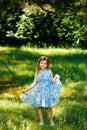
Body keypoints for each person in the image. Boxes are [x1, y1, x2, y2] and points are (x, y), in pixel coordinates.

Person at [20, 56, 62, 126]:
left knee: (49, 106)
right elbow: (34, 83)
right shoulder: (37, 72)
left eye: (45, 64)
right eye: (42, 63)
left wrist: (56, 76)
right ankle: (41, 122)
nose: (43, 65)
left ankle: (51, 121)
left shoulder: (49, 71)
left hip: (47, 92)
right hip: (39, 92)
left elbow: (52, 81)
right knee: (39, 107)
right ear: (39, 63)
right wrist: (26, 90)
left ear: (47, 64)